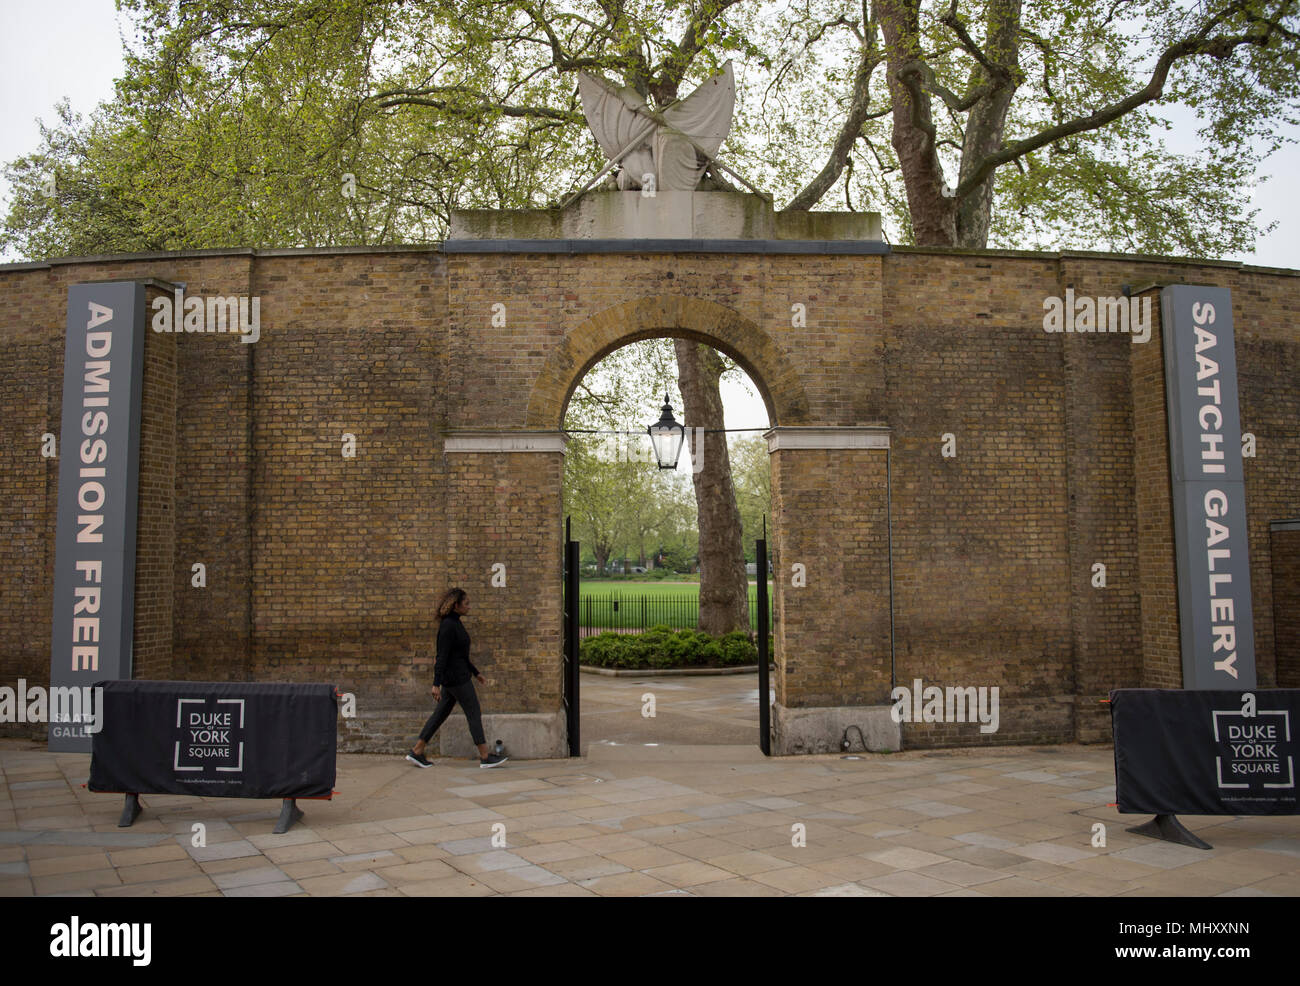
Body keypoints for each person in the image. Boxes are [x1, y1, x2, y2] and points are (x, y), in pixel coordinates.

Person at [406, 587, 508, 768]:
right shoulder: (448, 626)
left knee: (439, 715)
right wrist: (435, 684)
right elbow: (442, 656)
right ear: (456, 605)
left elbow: (460, 655)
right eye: (466, 604)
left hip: (456, 677)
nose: (469, 607)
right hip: (457, 679)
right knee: (473, 712)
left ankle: (417, 751)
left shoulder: (455, 623)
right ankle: (485, 756)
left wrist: (476, 673)